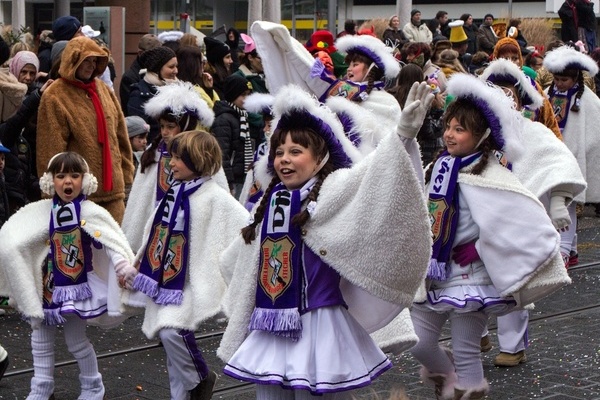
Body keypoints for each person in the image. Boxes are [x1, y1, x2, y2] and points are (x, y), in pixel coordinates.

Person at [217, 83, 432, 398]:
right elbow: (248, 255)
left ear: (320, 158)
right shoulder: (272, 198)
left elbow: (374, 177)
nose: (284, 160)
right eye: (279, 152)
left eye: (295, 151)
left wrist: (402, 134)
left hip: (318, 322)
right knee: (269, 394)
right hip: (270, 323)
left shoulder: (334, 188)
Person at [411, 73, 570, 400]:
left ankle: (466, 390)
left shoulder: (493, 175)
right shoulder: (438, 168)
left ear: (481, 136)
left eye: (460, 129)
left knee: (466, 348)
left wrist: (481, 248)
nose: (450, 135)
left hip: (473, 278)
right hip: (435, 272)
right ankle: (449, 376)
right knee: (418, 342)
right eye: (448, 127)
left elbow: (523, 226)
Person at [123, 130, 249, 400]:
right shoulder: (173, 193)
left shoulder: (216, 197)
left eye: (179, 158)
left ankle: (202, 378)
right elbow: (152, 233)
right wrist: (137, 265)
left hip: (192, 282)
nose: (171, 163)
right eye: (172, 157)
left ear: (199, 160)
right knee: (170, 348)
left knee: (172, 333)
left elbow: (244, 226)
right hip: (165, 279)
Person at [0, 151, 136, 400]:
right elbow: (15, 238)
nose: (68, 182)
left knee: (75, 341)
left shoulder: (90, 212)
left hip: (77, 287)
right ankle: (41, 388)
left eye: (75, 175)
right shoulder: (40, 211)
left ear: (84, 180)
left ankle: (93, 386)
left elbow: (108, 240)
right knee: (39, 338)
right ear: (51, 180)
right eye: (61, 175)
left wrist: (120, 265)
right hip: (46, 288)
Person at [479, 58, 586, 367]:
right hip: (482, 219)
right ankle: (476, 331)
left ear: (518, 95)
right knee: (474, 281)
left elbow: (558, 161)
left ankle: (512, 345)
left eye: (508, 91)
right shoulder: (478, 129)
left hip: (519, 219)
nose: (502, 96)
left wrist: (557, 201)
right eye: (495, 90)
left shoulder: (532, 130)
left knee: (516, 281)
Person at [36, 36, 134, 224]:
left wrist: (126, 171)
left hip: (114, 191)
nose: (91, 65)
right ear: (73, 60)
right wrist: (50, 188)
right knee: (81, 250)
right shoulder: (55, 95)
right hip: (77, 193)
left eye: (94, 61)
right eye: (86, 60)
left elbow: (120, 134)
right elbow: (50, 147)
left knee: (115, 247)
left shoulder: (103, 89)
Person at [121, 81, 215, 253]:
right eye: (162, 126)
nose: (164, 132)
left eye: (170, 127)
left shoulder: (200, 154)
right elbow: (139, 200)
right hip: (155, 227)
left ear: (186, 126)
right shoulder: (154, 153)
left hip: (186, 228)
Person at [544, 45, 600, 266]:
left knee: (565, 202)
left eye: (564, 80)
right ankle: (572, 247)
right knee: (551, 202)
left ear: (575, 78)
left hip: (572, 157)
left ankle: (564, 249)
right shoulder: (547, 92)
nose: (559, 83)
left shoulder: (588, 100)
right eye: (557, 79)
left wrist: (582, 151)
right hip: (551, 155)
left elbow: (594, 132)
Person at [492, 37, 562, 139]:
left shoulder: (533, 87)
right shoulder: (488, 86)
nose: (511, 62)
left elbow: (550, 121)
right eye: (506, 59)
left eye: (515, 58)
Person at [211, 74, 258, 197]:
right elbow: (222, 154)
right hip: (232, 179)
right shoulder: (224, 119)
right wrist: (229, 182)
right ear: (232, 95)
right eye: (243, 95)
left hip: (241, 175)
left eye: (248, 94)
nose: (246, 99)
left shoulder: (241, 115)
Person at [127, 45, 178, 142]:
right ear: (157, 68)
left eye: (176, 66)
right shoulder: (139, 94)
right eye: (171, 67)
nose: (176, 71)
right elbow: (139, 133)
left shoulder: (178, 88)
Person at [119, 34, 161, 116]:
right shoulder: (130, 78)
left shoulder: (158, 71)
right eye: (153, 54)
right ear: (140, 53)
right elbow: (133, 111)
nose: (157, 58)